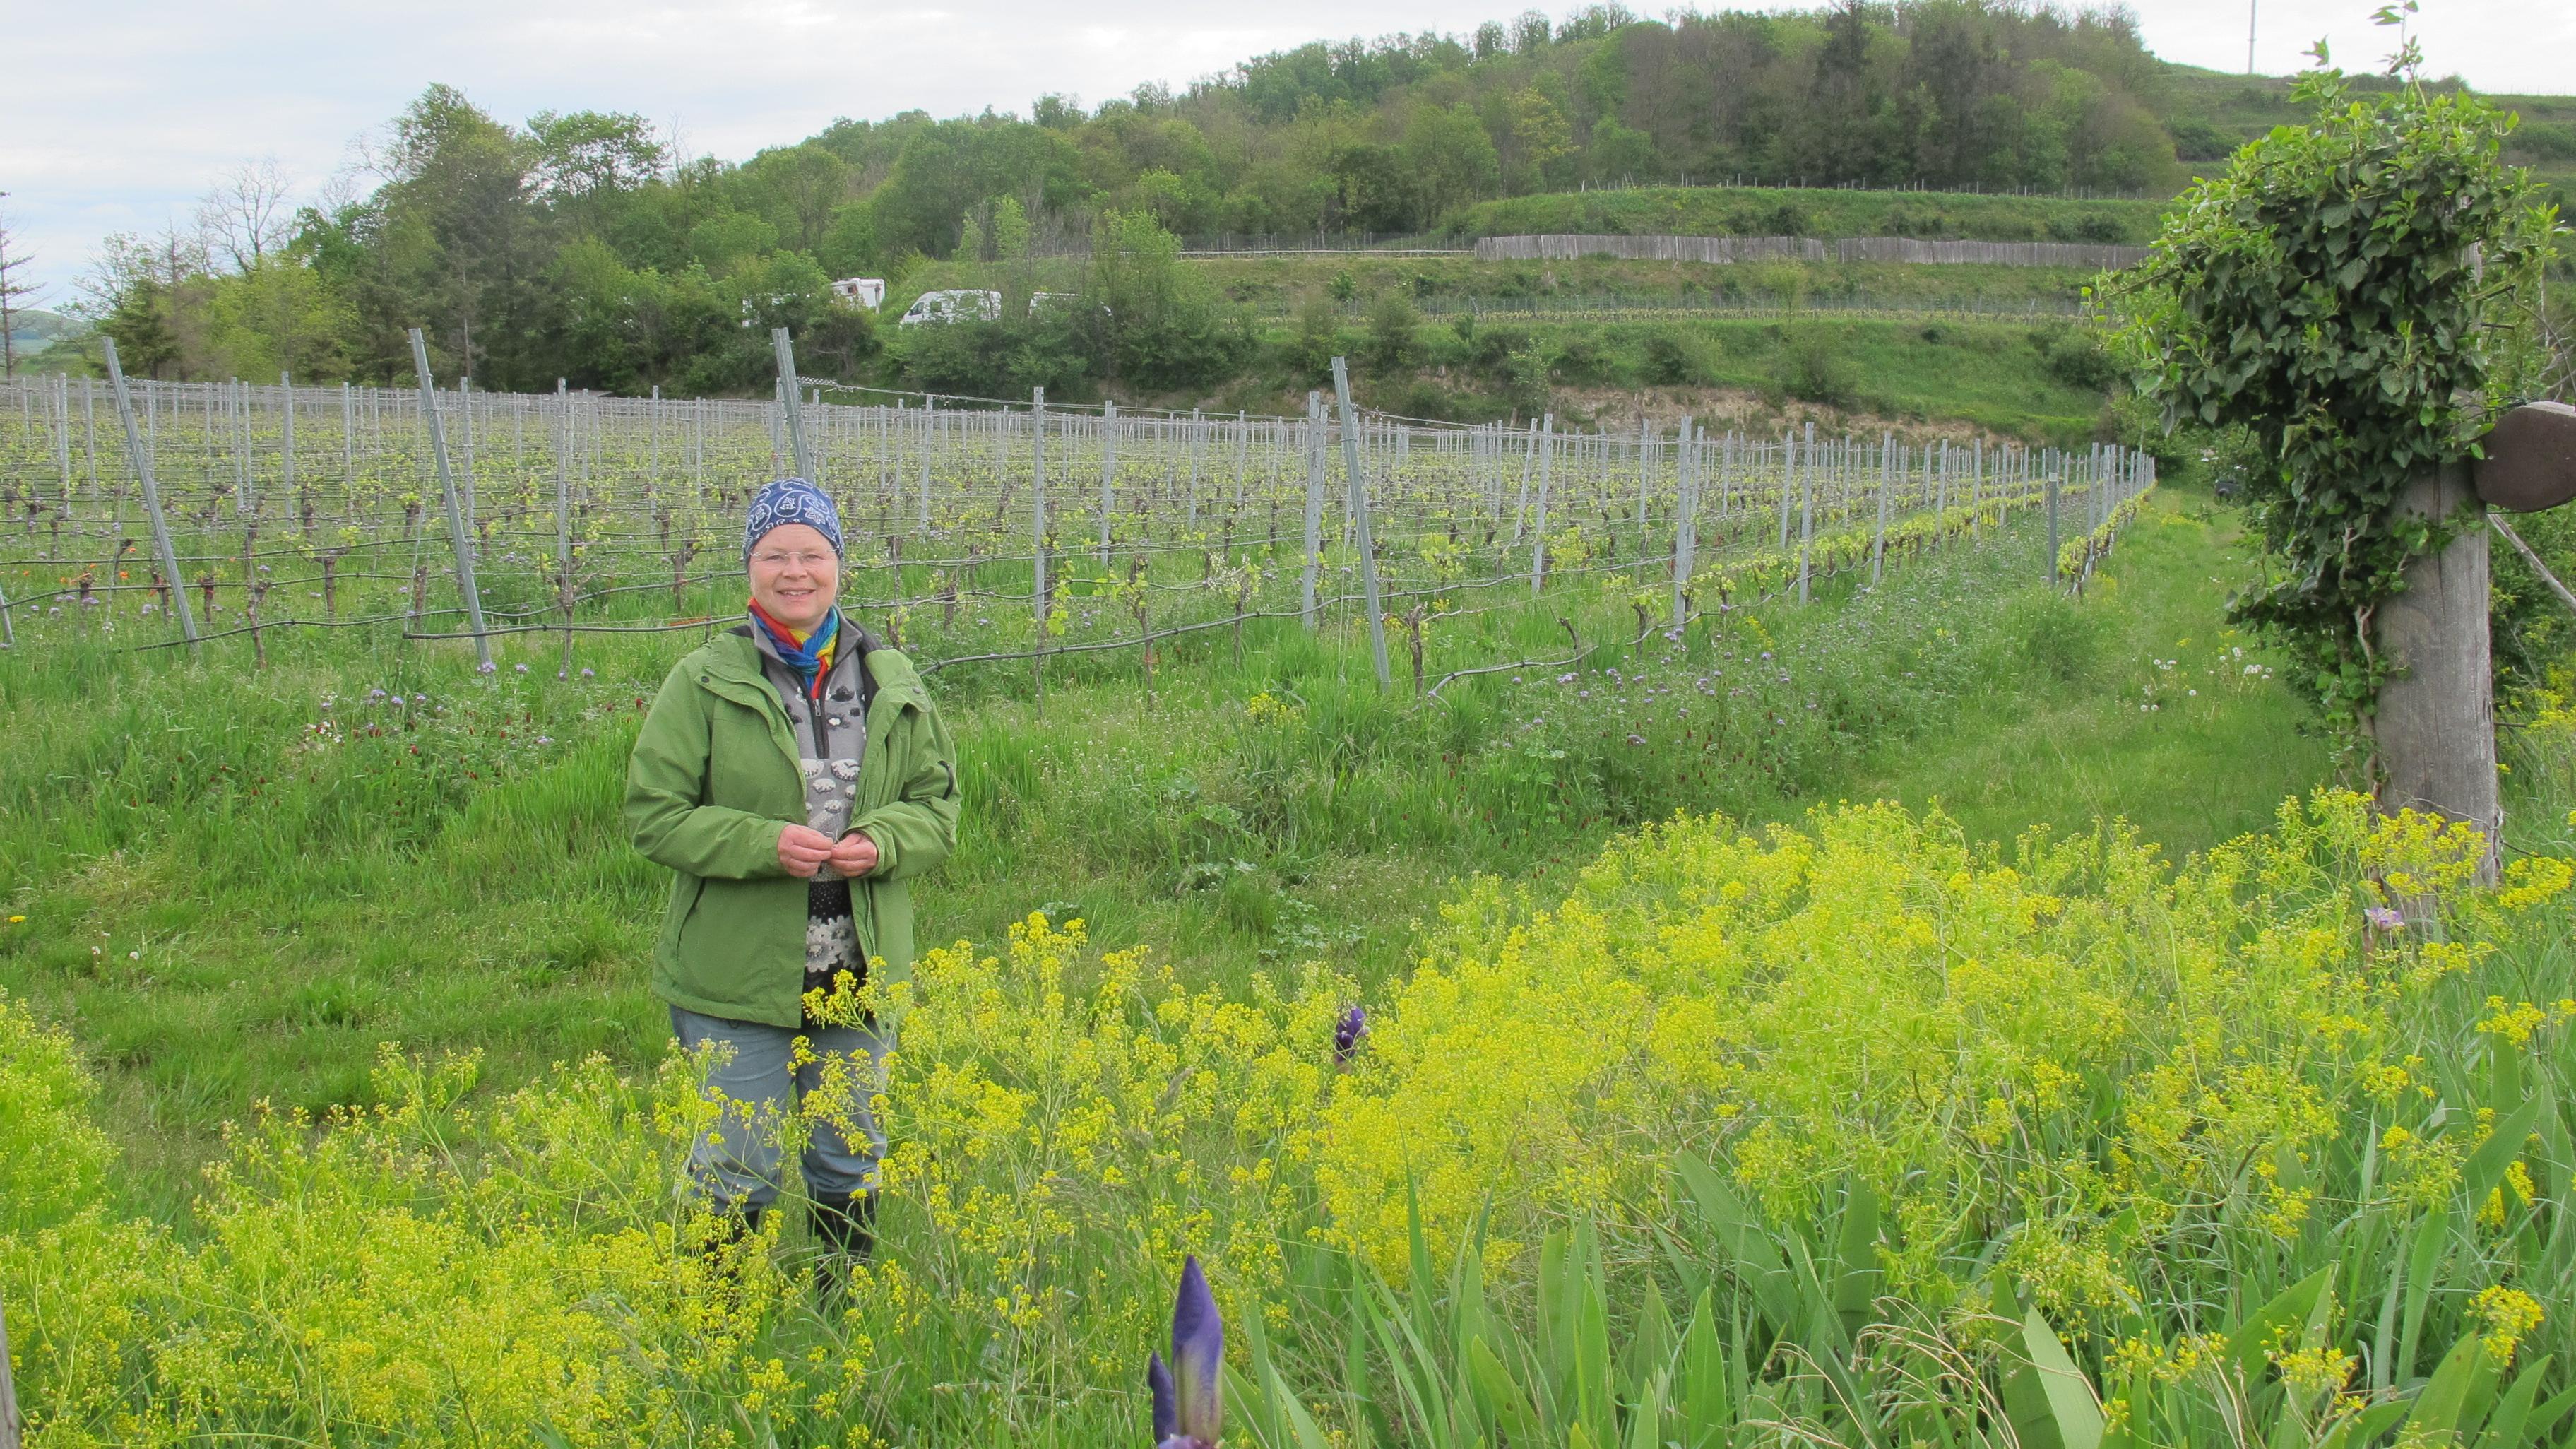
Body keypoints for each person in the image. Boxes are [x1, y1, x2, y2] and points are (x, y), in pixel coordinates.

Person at [624, 476, 958, 1291]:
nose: (794, 570)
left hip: (857, 970)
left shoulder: (893, 678)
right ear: (749, 569)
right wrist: (762, 841)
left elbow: (939, 808)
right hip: (735, 971)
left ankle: (837, 1317)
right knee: (738, 1160)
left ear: (838, 565)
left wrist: (881, 842)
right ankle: (717, 1329)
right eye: (774, 554)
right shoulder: (701, 680)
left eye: (812, 552)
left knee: (847, 1150)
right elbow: (653, 813)